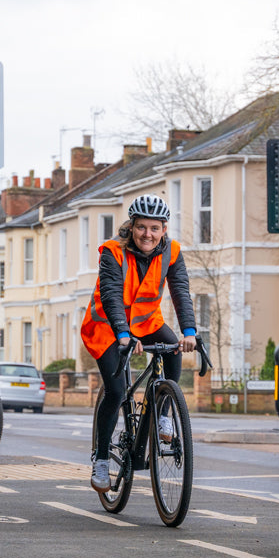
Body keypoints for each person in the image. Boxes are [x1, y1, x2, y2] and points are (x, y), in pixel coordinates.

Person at [80, 195, 198, 492]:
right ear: (132, 227)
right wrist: (122, 334)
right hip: (107, 326)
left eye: (154, 228)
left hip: (146, 323)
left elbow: (180, 291)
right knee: (117, 390)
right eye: (142, 227)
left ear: (163, 229)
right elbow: (110, 295)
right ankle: (103, 458)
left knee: (172, 349)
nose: (148, 234)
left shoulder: (172, 251)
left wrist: (189, 331)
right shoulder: (113, 252)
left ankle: (163, 416)